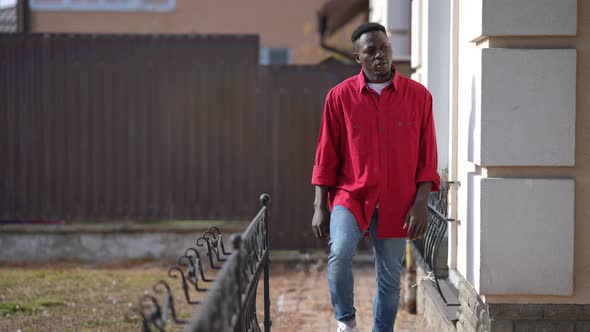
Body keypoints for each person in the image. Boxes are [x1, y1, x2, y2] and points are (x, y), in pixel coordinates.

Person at [311, 22, 439, 332]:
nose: (380, 55)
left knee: (390, 277)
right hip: (351, 195)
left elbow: (427, 156)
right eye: (371, 51)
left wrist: (421, 202)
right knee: (339, 253)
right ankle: (346, 321)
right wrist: (319, 205)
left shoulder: (419, 96)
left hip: (398, 200)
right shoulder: (339, 98)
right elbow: (326, 155)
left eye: (384, 48)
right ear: (358, 57)